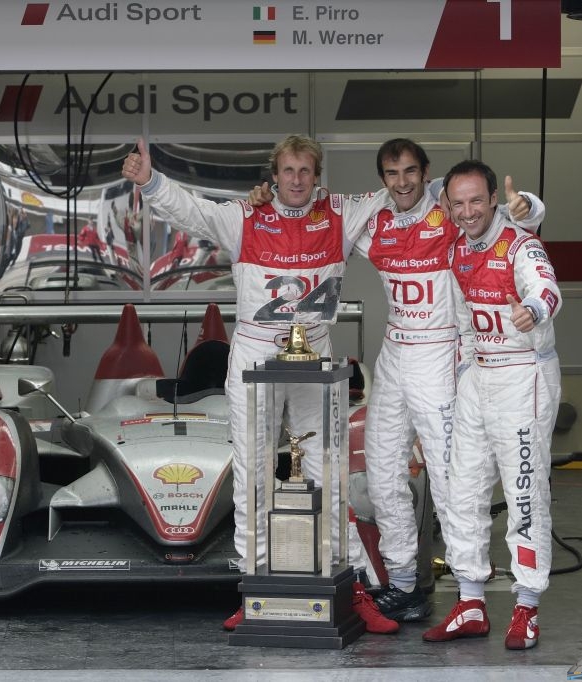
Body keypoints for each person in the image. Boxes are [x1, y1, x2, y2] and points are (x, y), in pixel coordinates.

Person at [250, 139, 544, 624]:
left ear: (426, 174)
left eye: (411, 171)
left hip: (440, 355)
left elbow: (515, 221)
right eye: (392, 173)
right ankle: (404, 581)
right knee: (383, 473)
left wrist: (527, 205)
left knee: (453, 483)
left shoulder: (453, 214)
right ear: (382, 179)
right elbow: (311, 217)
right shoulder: (376, 220)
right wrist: (267, 198)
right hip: (394, 354)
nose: (402, 181)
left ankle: (469, 591)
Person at [121, 135, 399, 635]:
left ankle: (354, 587)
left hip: (315, 356)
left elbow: (403, 194)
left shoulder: (340, 212)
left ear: (318, 176)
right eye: (288, 171)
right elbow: (192, 212)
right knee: (252, 474)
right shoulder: (244, 216)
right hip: (254, 352)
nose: (296, 180)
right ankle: (255, 589)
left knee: (327, 472)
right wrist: (152, 182)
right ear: (274, 175)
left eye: (305, 172)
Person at [422, 159, 562, 650]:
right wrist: (464, 372)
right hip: (477, 378)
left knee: (523, 493)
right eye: (457, 203)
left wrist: (535, 309)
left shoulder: (521, 242)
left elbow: (548, 289)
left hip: (523, 377)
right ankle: (471, 600)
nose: (466, 211)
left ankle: (526, 606)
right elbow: (462, 319)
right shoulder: (458, 249)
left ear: (494, 200)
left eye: (476, 201)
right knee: (461, 490)